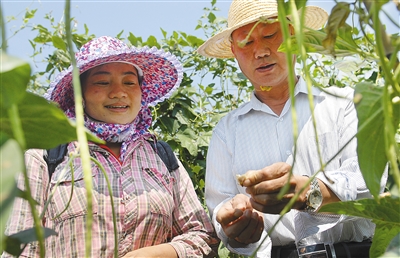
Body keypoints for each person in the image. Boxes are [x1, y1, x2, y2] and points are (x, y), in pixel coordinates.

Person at [198, 0, 387, 257]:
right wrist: (234, 223)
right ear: (233, 51)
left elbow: (371, 181)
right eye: (246, 42)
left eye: (270, 35)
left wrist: (311, 191)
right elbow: (219, 207)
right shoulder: (226, 131)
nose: (261, 51)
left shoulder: (345, 104)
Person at [3, 36, 219, 258]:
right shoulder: (45, 155)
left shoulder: (161, 155)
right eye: (102, 82)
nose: (118, 92)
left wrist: (161, 253)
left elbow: (202, 235)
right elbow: (20, 249)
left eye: (129, 82)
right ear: (79, 93)